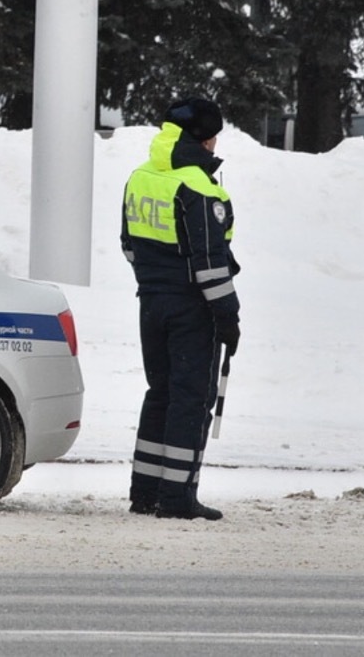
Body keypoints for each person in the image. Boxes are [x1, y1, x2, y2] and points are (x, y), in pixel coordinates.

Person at [120, 95, 242, 521]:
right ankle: (177, 499)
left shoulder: (140, 177)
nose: (214, 144)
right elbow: (210, 266)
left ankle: (145, 493)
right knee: (191, 400)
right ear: (202, 138)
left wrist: (158, 281)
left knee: (161, 394)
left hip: (151, 303)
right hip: (193, 310)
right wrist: (228, 317)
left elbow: (129, 246)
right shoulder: (198, 187)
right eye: (213, 136)